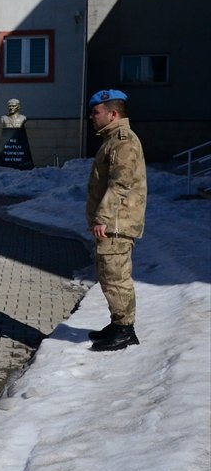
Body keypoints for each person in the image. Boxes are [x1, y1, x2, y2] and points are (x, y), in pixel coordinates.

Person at [85, 90, 148, 352]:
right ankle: (118, 323)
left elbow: (120, 184)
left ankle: (125, 331)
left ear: (112, 114)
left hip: (117, 223)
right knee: (108, 275)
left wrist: (103, 217)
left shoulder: (123, 141)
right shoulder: (112, 139)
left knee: (116, 277)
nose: (91, 116)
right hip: (113, 222)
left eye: (96, 112)